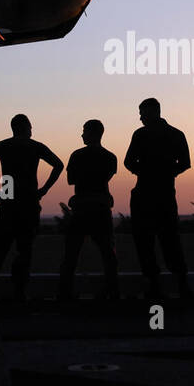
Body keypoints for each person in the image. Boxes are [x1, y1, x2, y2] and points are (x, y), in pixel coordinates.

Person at [0, 114, 63, 301]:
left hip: (7, 199)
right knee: (25, 250)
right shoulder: (36, 146)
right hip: (29, 201)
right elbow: (59, 165)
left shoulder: (2, 146)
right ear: (27, 127)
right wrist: (44, 190)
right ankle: (19, 291)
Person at [123, 98, 194, 299]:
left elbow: (128, 162)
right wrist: (168, 173)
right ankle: (181, 286)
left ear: (153, 112)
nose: (140, 117)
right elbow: (185, 163)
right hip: (162, 194)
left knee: (148, 242)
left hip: (146, 195)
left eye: (142, 113)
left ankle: (157, 287)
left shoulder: (142, 135)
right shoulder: (175, 134)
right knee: (169, 240)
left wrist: (146, 173)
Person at [59, 119, 121, 301]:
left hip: (81, 209)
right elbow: (106, 177)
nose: (82, 134)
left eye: (84, 131)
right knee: (108, 254)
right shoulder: (110, 157)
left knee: (71, 254)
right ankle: (112, 291)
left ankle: (65, 293)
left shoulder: (76, 156)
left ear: (92, 133)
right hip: (101, 208)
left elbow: (71, 180)